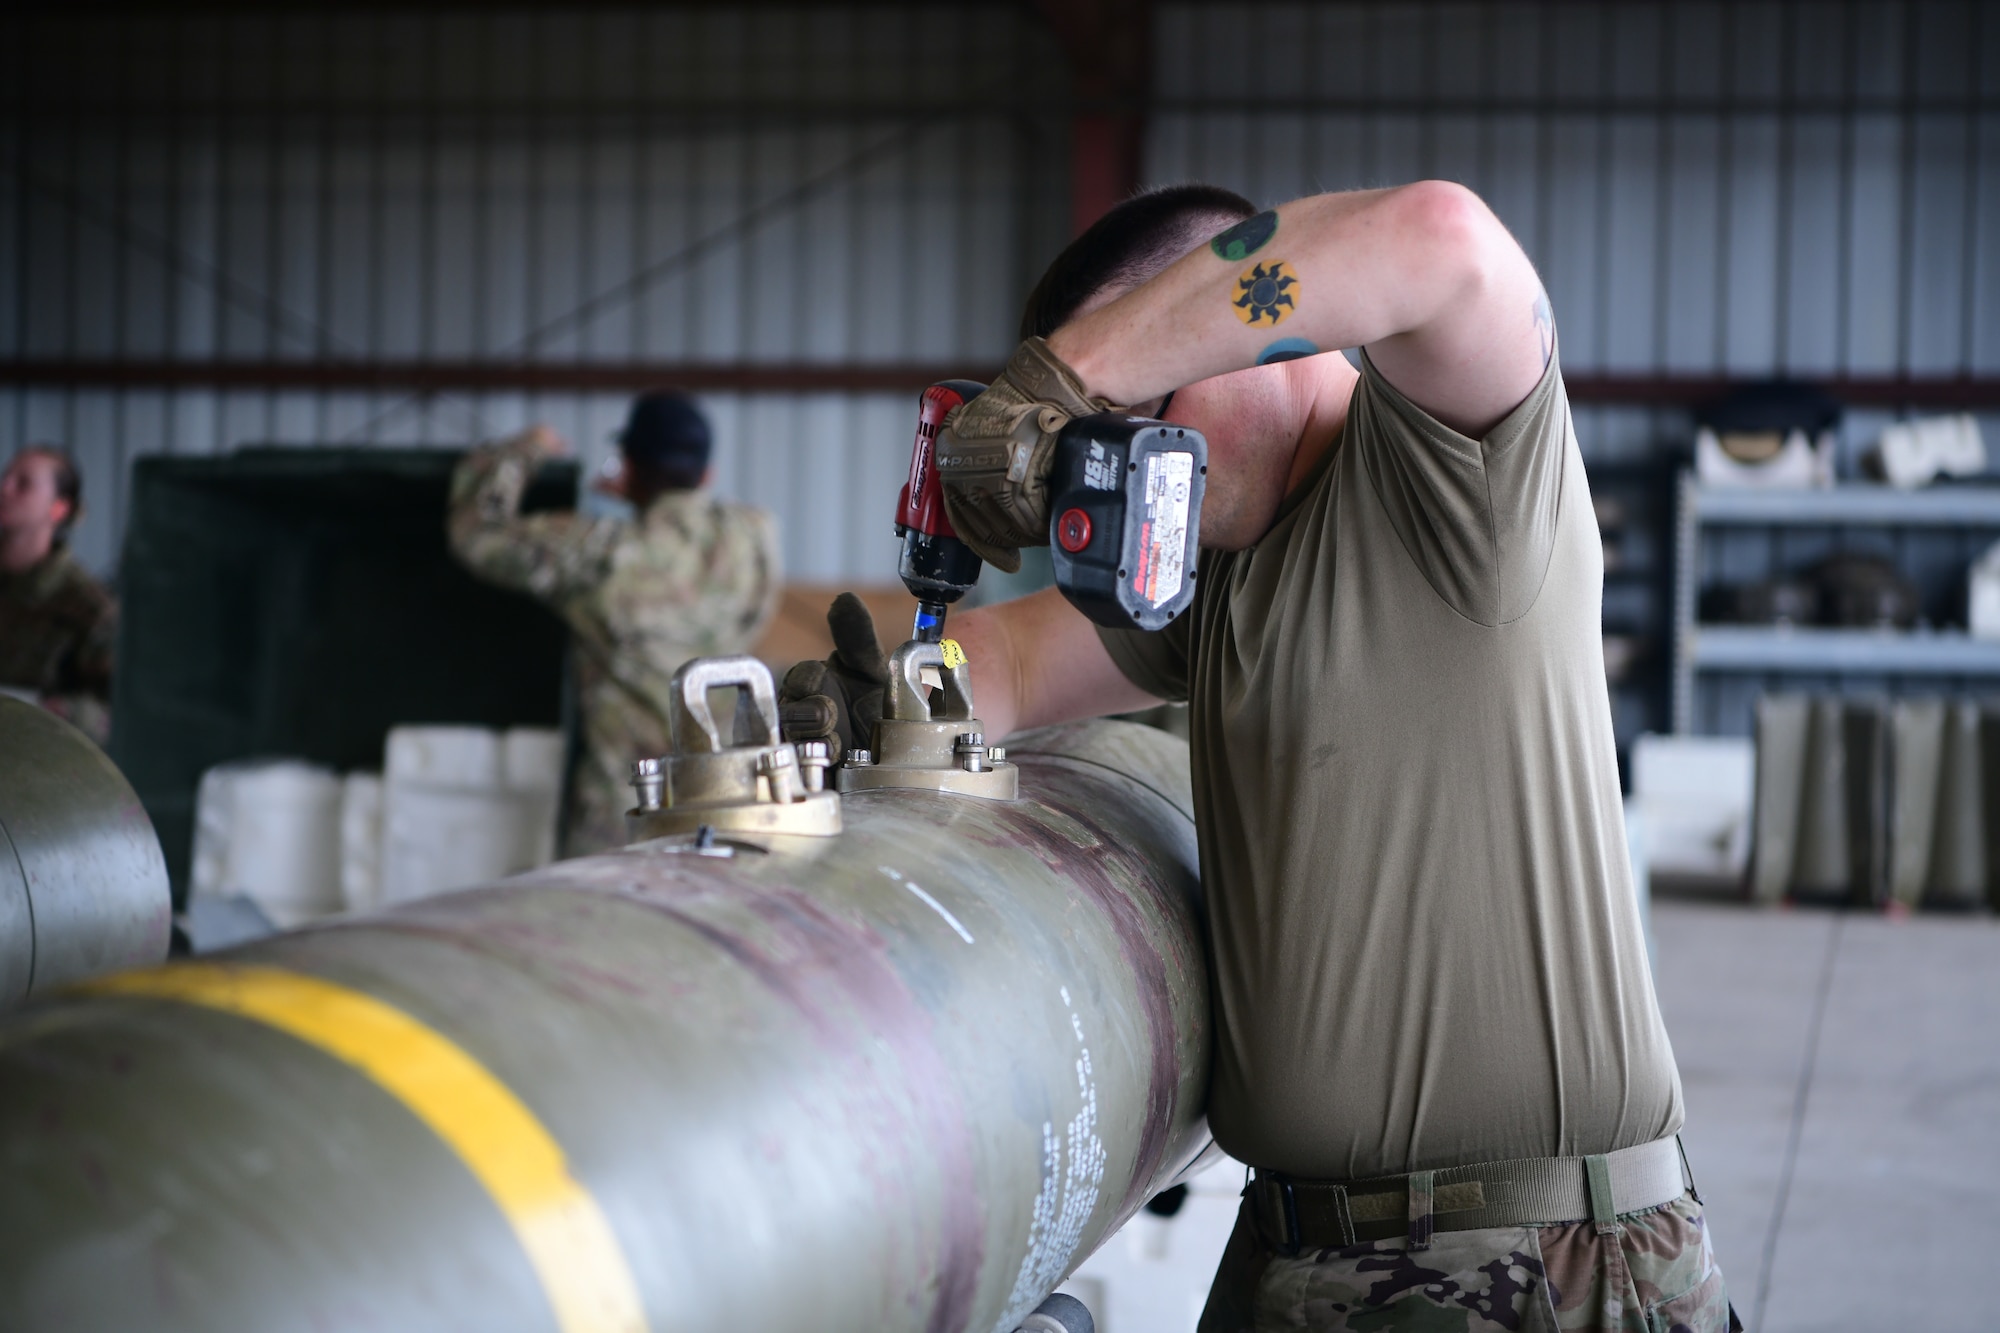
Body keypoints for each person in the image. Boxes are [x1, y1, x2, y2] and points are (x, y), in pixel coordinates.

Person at [784, 183, 1736, 1332]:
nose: (1123, 461)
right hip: (1309, 1251)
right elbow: (1010, 664)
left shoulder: (1442, 483)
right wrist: (865, 704)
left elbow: (1439, 240)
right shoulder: (1221, 564)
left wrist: (1070, 372)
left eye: (1138, 405)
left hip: (1528, 1264)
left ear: (1246, 331)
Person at [449, 393, 780, 856]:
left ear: (629, 467)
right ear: (706, 473)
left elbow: (477, 534)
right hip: (723, 805)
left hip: (623, 816)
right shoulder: (752, 536)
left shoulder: (597, 550)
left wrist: (526, 450)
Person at [0, 445, 115, 744]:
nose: (5, 488)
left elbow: (115, 708)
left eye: (23, 484)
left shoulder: (87, 606)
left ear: (58, 508)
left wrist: (56, 710)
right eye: (5, 478)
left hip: (36, 762)